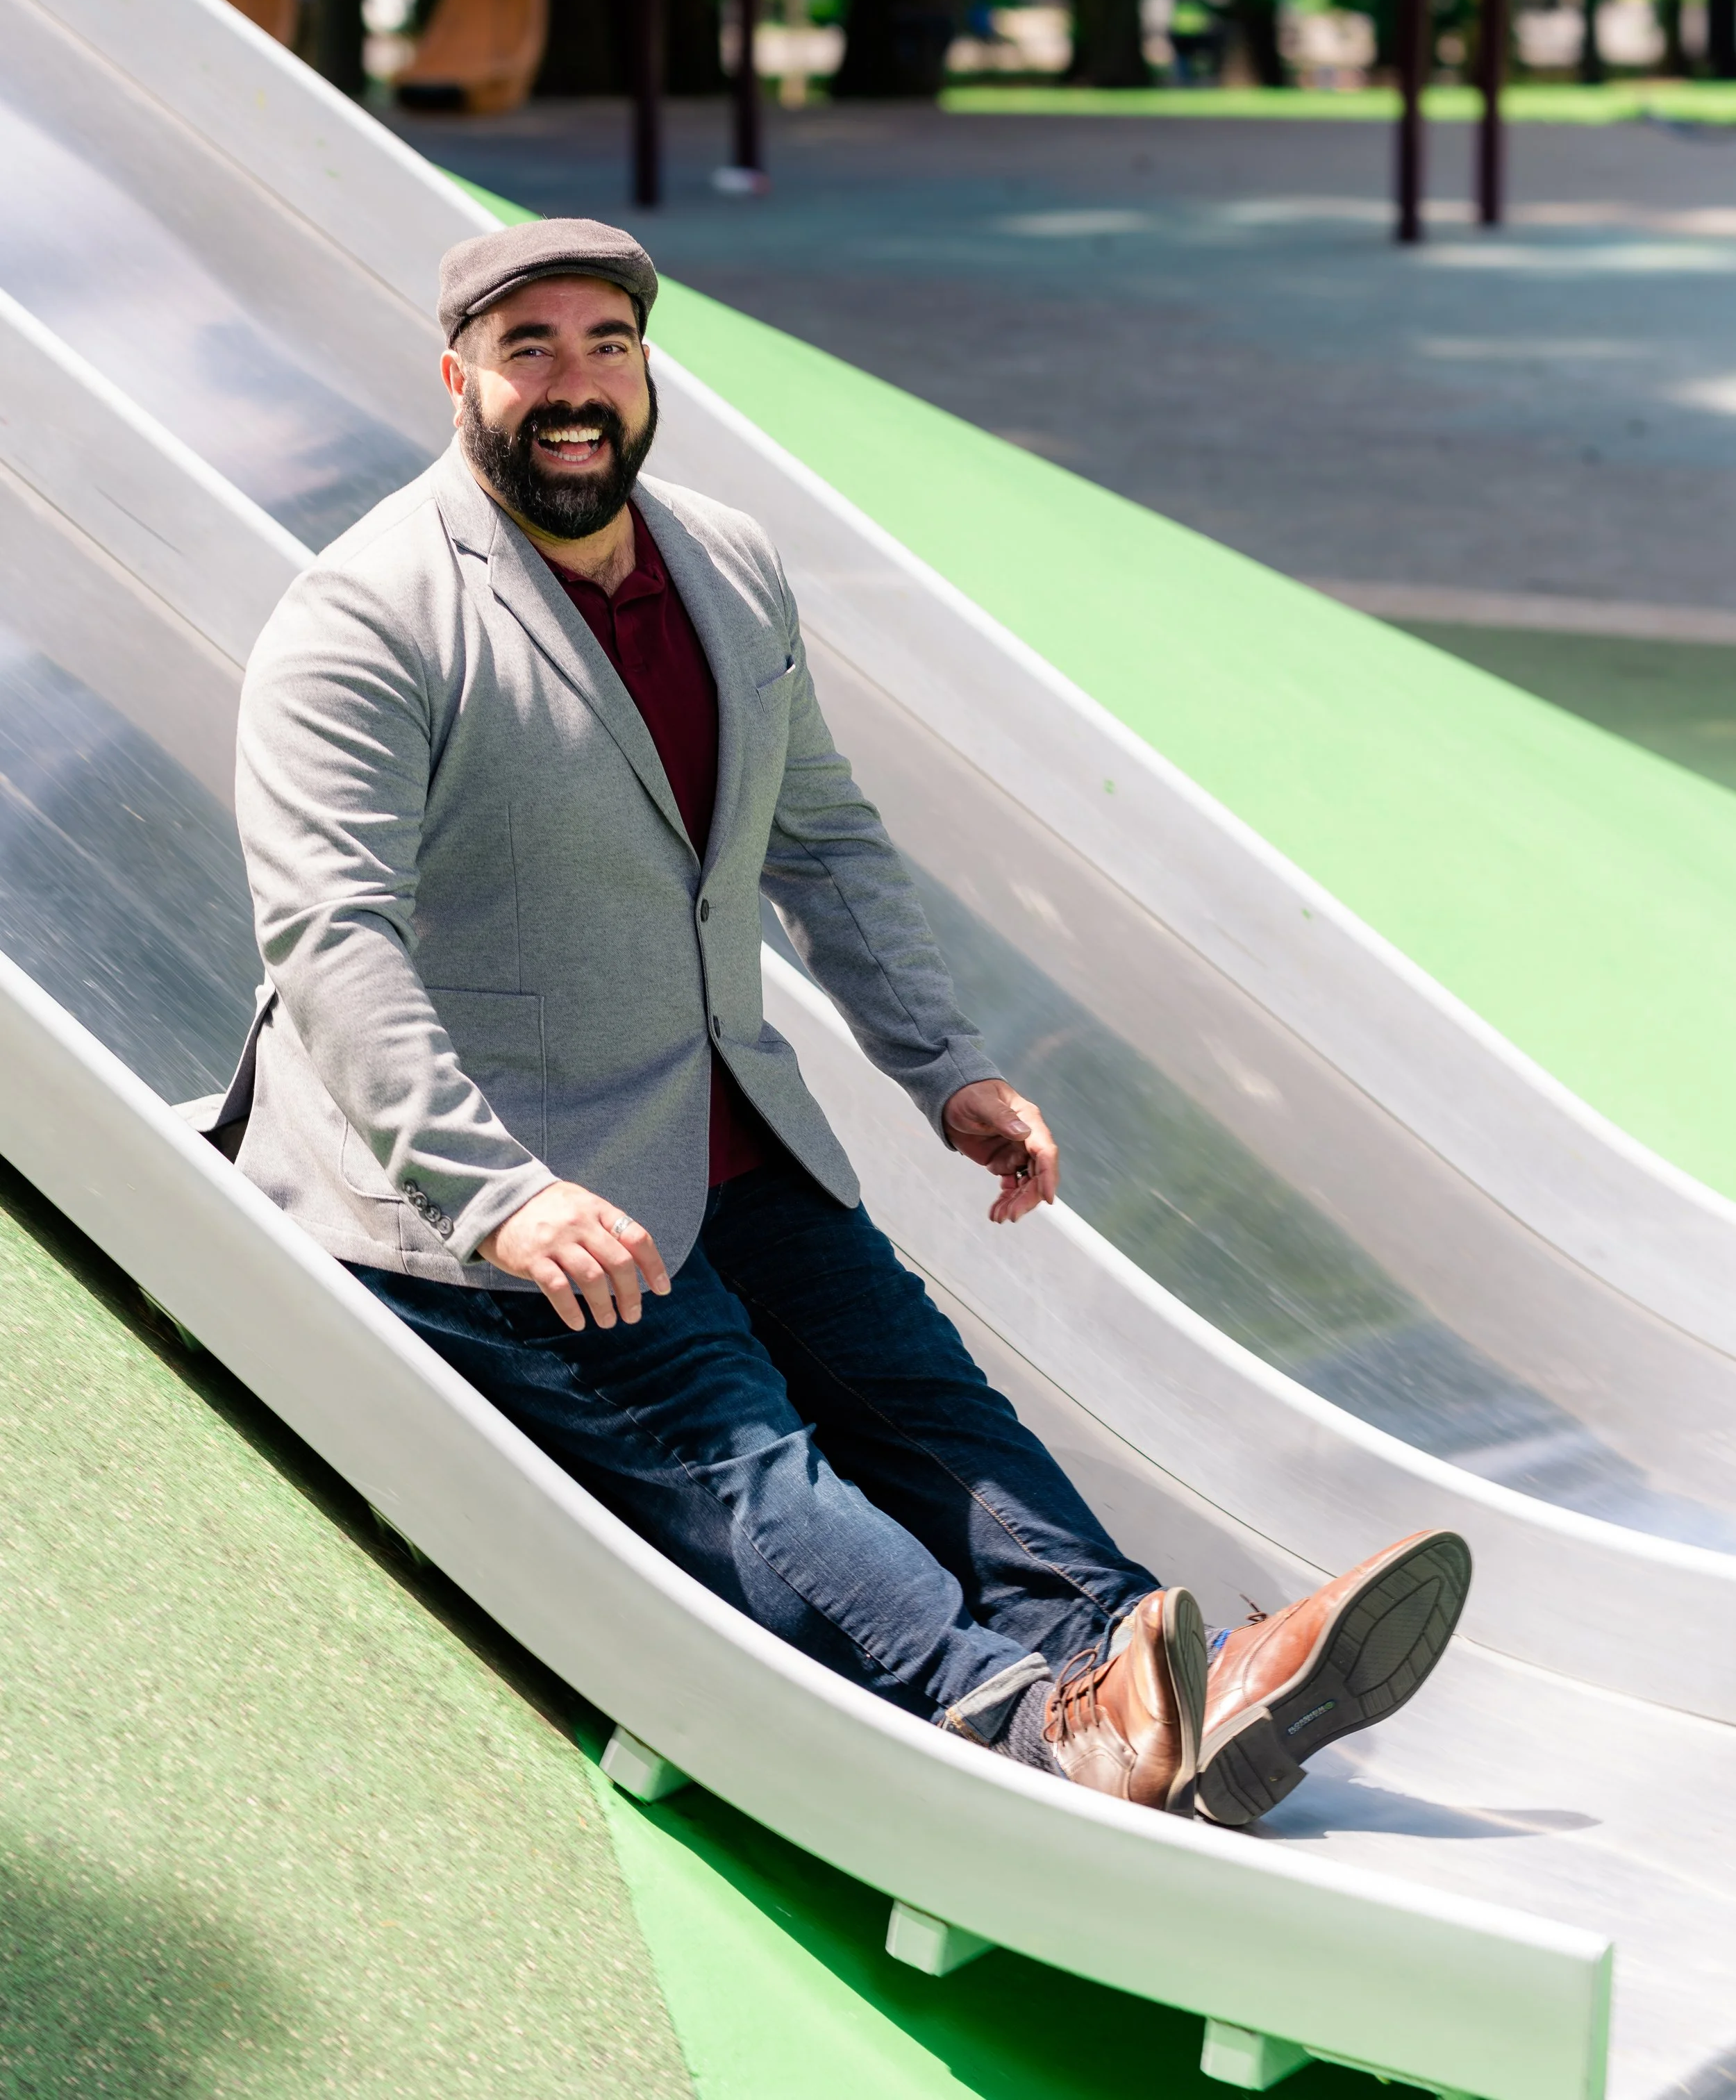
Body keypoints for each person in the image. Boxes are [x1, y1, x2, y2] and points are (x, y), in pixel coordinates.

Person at [226, 215, 1469, 1826]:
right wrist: (502, 1192)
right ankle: (1017, 1725)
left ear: (645, 371)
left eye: (606, 345)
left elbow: (822, 839)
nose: (574, 385)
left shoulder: (726, 565)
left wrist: (943, 1065)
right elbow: (331, 931)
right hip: (502, 1187)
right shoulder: (368, 613)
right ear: (455, 376)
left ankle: (1156, 1671)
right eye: (528, 350)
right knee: (744, 1447)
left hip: (722, 1118)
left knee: (921, 1399)